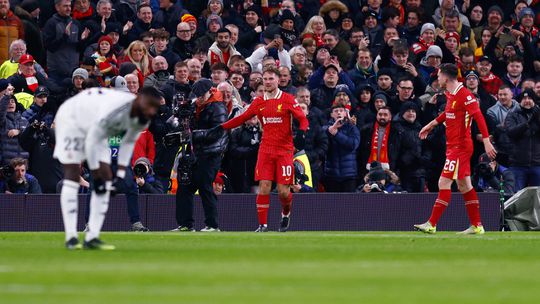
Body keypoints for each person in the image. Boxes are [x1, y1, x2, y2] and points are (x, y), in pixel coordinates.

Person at [53, 86, 161, 250]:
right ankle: (74, 235)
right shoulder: (110, 111)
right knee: (81, 181)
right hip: (73, 120)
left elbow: (126, 146)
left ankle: (96, 235)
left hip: (101, 139)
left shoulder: (142, 118)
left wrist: (120, 173)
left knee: (118, 186)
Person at [212, 67, 309, 232]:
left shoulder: (288, 99)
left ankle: (286, 213)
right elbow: (242, 118)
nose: (268, 82)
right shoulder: (258, 101)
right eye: (265, 79)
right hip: (266, 149)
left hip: (285, 150)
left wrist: (302, 131)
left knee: (283, 192)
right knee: (264, 186)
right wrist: (221, 127)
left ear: (278, 80)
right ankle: (262, 225)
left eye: (271, 79)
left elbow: (302, 118)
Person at [415, 63, 496, 235]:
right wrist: (431, 124)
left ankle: (431, 224)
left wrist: (487, 141)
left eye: (438, 76)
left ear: (445, 77)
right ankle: (477, 225)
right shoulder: (451, 94)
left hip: (460, 147)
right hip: (453, 146)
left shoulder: (465, 95)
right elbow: (448, 114)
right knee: (464, 185)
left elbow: (478, 116)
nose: (437, 79)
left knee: (443, 182)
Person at [174, 78, 228, 232]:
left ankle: (212, 224)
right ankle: (185, 224)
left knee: (205, 185)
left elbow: (218, 131)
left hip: (212, 152)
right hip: (196, 151)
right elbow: (182, 124)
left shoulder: (218, 107)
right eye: (196, 95)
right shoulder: (196, 106)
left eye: (200, 95)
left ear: (209, 92)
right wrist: (183, 117)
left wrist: (193, 134)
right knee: (185, 185)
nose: (198, 98)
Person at [505, 89, 540, 191]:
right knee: (517, 198)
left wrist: (537, 119)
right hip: (517, 165)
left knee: (538, 199)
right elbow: (511, 132)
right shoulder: (512, 114)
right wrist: (527, 124)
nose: (527, 100)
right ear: (520, 101)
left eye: (529, 98)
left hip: (537, 165)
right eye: (524, 98)